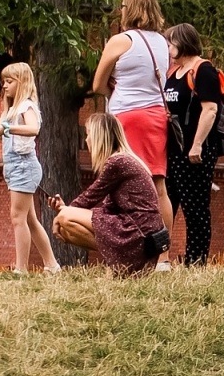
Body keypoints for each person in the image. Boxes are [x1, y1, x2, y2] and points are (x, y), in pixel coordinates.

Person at [92, 0, 175, 243]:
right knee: (158, 186)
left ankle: (123, 247)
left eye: (124, 6)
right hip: (155, 118)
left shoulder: (121, 40)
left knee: (117, 182)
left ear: (131, 9)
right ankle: (163, 254)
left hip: (125, 117)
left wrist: (114, 90)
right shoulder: (163, 43)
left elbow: (97, 85)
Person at [49, 113, 166, 275]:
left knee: (64, 219)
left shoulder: (117, 162)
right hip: (144, 239)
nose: (86, 140)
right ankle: (123, 264)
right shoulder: (125, 160)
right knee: (66, 227)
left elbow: (90, 197)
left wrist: (64, 212)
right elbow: (107, 208)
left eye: (88, 135)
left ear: (99, 137)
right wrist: (65, 209)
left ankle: (122, 262)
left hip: (137, 233)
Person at [0, 62, 60, 274]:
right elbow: (4, 133)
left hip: (24, 166)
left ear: (22, 83)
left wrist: (6, 128)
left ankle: (21, 269)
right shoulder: (12, 110)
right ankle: (51, 265)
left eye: (9, 81)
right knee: (30, 220)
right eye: (3, 81)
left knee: (18, 218)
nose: (4, 86)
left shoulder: (26, 106)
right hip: (15, 167)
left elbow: (33, 129)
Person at [162, 23, 223, 265]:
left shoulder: (203, 70)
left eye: (171, 43)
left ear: (183, 42)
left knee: (195, 210)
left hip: (195, 153)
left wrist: (197, 145)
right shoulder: (173, 73)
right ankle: (161, 259)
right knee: (167, 204)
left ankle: (195, 263)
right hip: (172, 152)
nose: (168, 48)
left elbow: (210, 109)